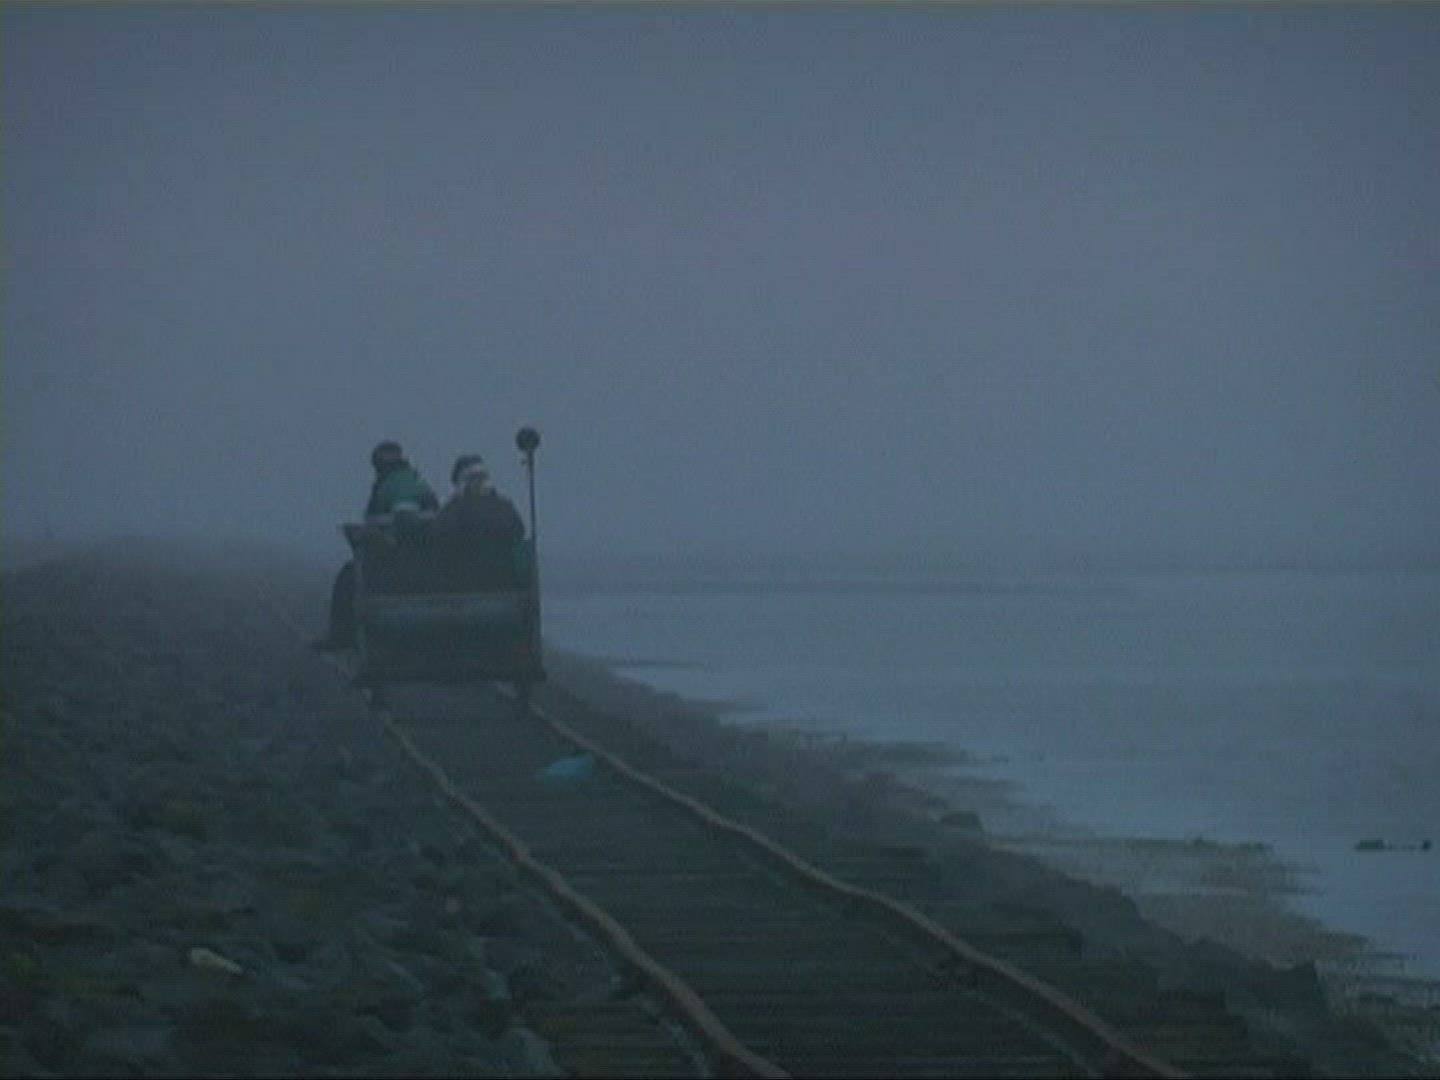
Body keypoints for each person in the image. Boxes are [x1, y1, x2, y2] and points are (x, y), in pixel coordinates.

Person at [312, 440, 439, 651]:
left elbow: (402, 522)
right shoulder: (414, 481)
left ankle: (340, 636)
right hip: (422, 557)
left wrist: (370, 534)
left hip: (398, 557)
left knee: (348, 577)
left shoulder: (394, 486)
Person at [434, 453, 526, 585]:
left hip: (462, 582)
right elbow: (518, 531)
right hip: (502, 580)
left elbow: (439, 536)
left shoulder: (452, 510)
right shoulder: (503, 507)